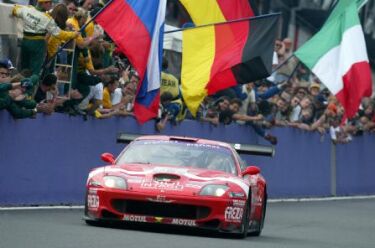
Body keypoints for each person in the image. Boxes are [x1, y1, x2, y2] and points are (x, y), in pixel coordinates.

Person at [12, 1, 78, 75]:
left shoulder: (28, 9)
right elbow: (60, 34)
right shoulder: (48, 20)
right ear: (44, 3)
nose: (51, 4)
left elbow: (14, 9)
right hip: (40, 48)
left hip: (25, 42)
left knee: (23, 69)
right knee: (35, 73)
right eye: (49, 2)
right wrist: (74, 34)